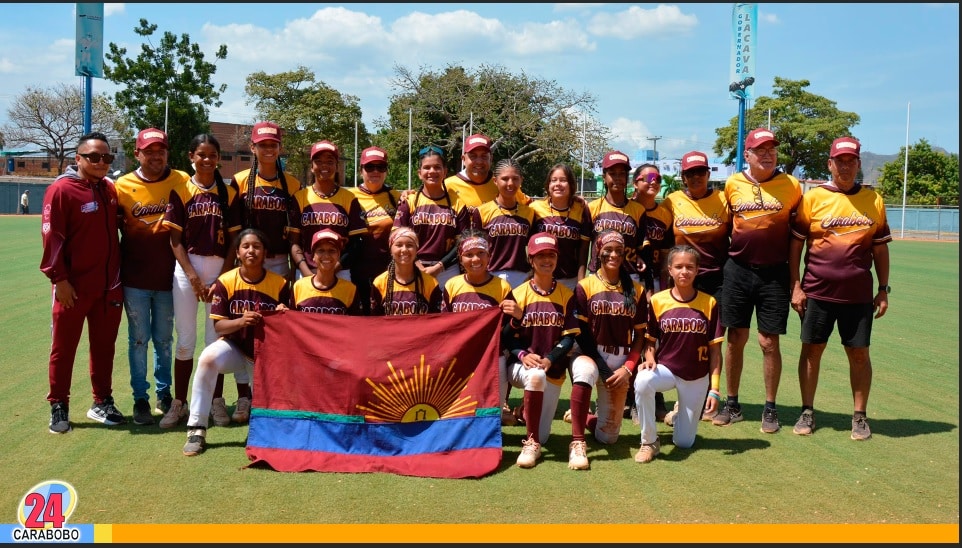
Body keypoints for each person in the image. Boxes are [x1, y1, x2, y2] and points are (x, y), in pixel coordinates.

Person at [788, 136, 891, 441]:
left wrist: (883, 289)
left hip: (858, 295)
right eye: (840, 161)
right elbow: (795, 245)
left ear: (859, 164)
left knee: (859, 354)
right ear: (829, 164)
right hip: (817, 291)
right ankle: (807, 411)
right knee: (811, 351)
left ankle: (859, 416)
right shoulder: (813, 198)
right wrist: (795, 285)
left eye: (851, 161)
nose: (845, 166)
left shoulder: (873, 200)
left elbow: (880, 250)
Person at [714, 128, 802, 434]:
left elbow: (797, 237)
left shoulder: (791, 186)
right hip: (737, 270)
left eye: (772, 149)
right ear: (747, 155)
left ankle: (770, 408)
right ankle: (733, 404)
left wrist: (796, 281)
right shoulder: (732, 184)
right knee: (735, 339)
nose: (767, 154)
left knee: (768, 341)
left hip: (775, 272)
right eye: (760, 150)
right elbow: (725, 227)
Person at [40, 131, 125, 433]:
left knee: (104, 347)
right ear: (78, 158)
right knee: (64, 349)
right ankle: (58, 405)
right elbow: (51, 237)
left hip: (109, 287)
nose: (101, 162)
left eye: (106, 157)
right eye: (93, 157)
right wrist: (59, 279)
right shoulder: (62, 190)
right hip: (72, 288)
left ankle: (101, 401)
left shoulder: (110, 189)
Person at [182, 228, 291, 456]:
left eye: (257, 246)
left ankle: (267, 430)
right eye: (246, 246)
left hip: (264, 355)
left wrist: (285, 314)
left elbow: (288, 328)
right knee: (207, 359)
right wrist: (241, 321)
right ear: (238, 253)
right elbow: (219, 326)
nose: (251, 250)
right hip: (234, 347)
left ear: (266, 253)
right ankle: (196, 428)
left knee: (272, 420)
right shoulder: (226, 281)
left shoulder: (279, 284)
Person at [161, 133, 243, 429]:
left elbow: (235, 239)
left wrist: (224, 274)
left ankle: (216, 401)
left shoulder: (229, 192)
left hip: (220, 267)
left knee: (215, 341)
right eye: (201, 154)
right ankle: (179, 403)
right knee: (185, 341)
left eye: (212, 155)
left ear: (218, 158)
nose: (207, 160)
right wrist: (193, 276)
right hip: (188, 268)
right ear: (191, 157)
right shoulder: (181, 189)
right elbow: (174, 239)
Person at [114, 128, 189, 426]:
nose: (156, 155)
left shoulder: (181, 180)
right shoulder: (122, 185)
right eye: (149, 150)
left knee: (164, 340)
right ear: (137, 153)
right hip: (134, 278)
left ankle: (164, 394)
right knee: (138, 340)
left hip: (170, 277)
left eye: (161, 150)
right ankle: (140, 399)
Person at [633, 245, 725, 463]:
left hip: (696, 375)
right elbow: (649, 341)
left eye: (690, 267)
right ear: (670, 270)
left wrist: (715, 390)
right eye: (679, 266)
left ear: (697, 270)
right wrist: (650, 359)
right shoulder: (657, 300)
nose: (684, 271)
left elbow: (715, 350)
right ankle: (649, 441)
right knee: (644, 380)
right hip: (667, 369)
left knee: (684, 442)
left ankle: (679, 415)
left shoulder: (709, 303)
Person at [566, 230, 647, 470]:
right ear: (598, 252)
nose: (613, 255)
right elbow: (581, 332)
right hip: (590, 354)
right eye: (607, 250)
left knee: (608, 437)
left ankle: (586, 418)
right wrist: (601, 366)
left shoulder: (636, 289)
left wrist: (628, 368)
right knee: (585, 373)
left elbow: (640, 335)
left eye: (618, 251)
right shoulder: (585, 286)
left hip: (621, 361)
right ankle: (577, 442)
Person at [500, 232, 580, 468]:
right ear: (531, 260)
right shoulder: (518, 293)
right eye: (540, 255)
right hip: (520, 366)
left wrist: (550, 358)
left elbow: (569, 338)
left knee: (545, 433)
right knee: (535, 376)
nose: (546, 260)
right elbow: (506, 339)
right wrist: (523, 354)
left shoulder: (566, 295)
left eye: (551, 255)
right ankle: (531, 442)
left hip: (552, 370)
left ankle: (524, 412)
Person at [662, 150, 732, 421]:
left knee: (712, 342)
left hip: (716, 279)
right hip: (682, 281)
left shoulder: (723, 200)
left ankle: (710, 397)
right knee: (685, 339)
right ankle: (684, 402)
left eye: (700, 172)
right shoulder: (672, 201)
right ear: (683, 177)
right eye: (690, 173)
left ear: (708, 173)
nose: (695, 177)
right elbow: (665, 240)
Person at [587, 150, 649, 422]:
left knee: (629, 338)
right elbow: (583, 248)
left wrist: (643, 277)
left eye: (622, 173)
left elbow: (642, 251)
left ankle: (633, 399)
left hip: (629, 281)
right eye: (613, 172)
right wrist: (583, 278)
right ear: (604, 176)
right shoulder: (592, 208)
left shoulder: (637, 210)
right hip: (597, 281)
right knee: (596, 337)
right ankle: (594, 399)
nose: (618, 177)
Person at [441, 229, 515, 424]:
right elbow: (445, 325)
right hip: (460, 354)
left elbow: (510, 329)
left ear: (489, 256)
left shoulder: (502, 287)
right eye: (469, 254)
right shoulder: (452, 285)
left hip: (492, 356)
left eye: (481, 253)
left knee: (491, 409)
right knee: (458, 407)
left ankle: (490, 438)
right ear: (460, 258)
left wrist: (517, 317)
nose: (475, 259)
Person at [393, 146, 471, 288]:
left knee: (445, 309)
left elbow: (462, 243)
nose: (432, 172)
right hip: (412, 266)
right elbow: (396, 238)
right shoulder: (409, 202)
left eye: (437, 167)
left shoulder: (458, 203)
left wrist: (439, 267)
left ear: (445, 172)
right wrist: (416, 264)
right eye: (427, 167)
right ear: (419, 173)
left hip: (447, 269)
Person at [231, 121, 302, 279]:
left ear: (280, 148)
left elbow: (295, 232)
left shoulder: (293, 184)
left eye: (273, 145)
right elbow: (234, 227)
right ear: (252, 147)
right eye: (263, 145)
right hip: (248, 258)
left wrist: (293, 268)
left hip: (280, 260)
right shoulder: (240, 180)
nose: (269, 149)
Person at [288, 140, 366, 283]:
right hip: (306, 272)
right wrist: (306, 273)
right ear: (312, 167)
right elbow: (294, 242)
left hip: (339, 272)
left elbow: (355, 244)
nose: (324, 165)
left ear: (337, 166)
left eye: (330, 161)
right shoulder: (300, 197)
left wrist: (333, 270)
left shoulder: (349, 198)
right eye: (318, 161)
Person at [349, 146, 401, 315]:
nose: (375, 171)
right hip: (357, 270)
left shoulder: (397, 197)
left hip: (388, 269)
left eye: (381, 167)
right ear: (361, 170)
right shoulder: (349, 196)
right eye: (370, 167)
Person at [470, 158, 535, 288]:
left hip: (521, 277)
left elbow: (533, 248)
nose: (510, 183)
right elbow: (476, 248)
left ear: (521, 180)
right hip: (491, 275)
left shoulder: (529, 212)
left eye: (515, 178)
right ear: (495, 181)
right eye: (505, 179)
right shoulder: (482, 212)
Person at [530, 163, 591, 291]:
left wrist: (581, 283)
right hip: (541, 279)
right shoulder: (535, 208)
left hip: (570, 280)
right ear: (548, 185)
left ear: (571, 185)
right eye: (554, 180)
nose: (558, 184)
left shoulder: (581, 209)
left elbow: (583, 250)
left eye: (563, 180)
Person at [443, 133, 529, 211]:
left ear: (491, 159)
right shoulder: (447, 186)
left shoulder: (503, 185)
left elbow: (529, 208)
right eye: (473, 156)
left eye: (484, 156)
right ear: (463, 159)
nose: (479, 161)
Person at [370, 227, 442, 315]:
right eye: (399, 245)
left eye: (410, 245)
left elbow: (436, 320)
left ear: (416, 250)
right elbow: (375, 321)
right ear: (391, 250)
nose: (404, 250)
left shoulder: (431, 283)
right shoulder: (379, 283)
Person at [292, 228, 362, 315]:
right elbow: (291, 322)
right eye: (321, 250)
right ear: (313, 256)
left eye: (332, 251)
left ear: (338, 255)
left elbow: (356, 325)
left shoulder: (350, 290)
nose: (326, 256)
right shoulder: (299, 287)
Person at [631, 164, 674, 296]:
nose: (654, 181)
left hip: (653, 279)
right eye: (648, 178)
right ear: (635, 183)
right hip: (627, 275)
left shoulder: (665, 214)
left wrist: (663, 283)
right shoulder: (625, 209)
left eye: (658, 178)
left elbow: (665, 254)